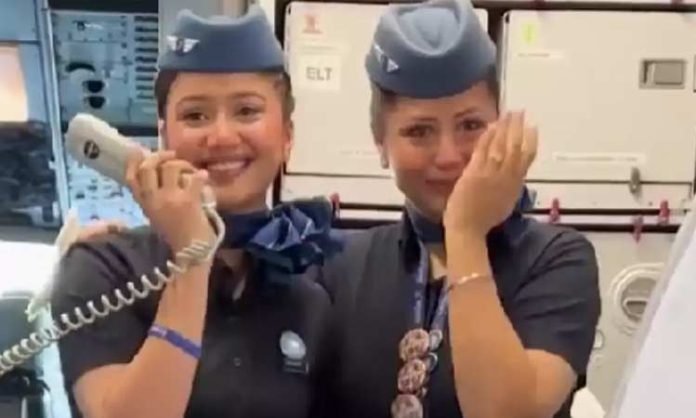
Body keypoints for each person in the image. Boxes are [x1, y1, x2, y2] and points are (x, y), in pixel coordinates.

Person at [50, 7, 340, 418]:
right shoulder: (104, 268)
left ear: (287, 136)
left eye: (247, 111)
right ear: (164, 137)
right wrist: (192, 256)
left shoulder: (310, 298)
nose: (221, 136)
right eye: (195, 115)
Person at [317, 0, 601, 417]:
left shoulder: (555, 259)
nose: (449, 156)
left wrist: (465, 234)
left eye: (470, 126)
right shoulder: (343, 265)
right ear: (381, 143)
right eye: (419, 131)